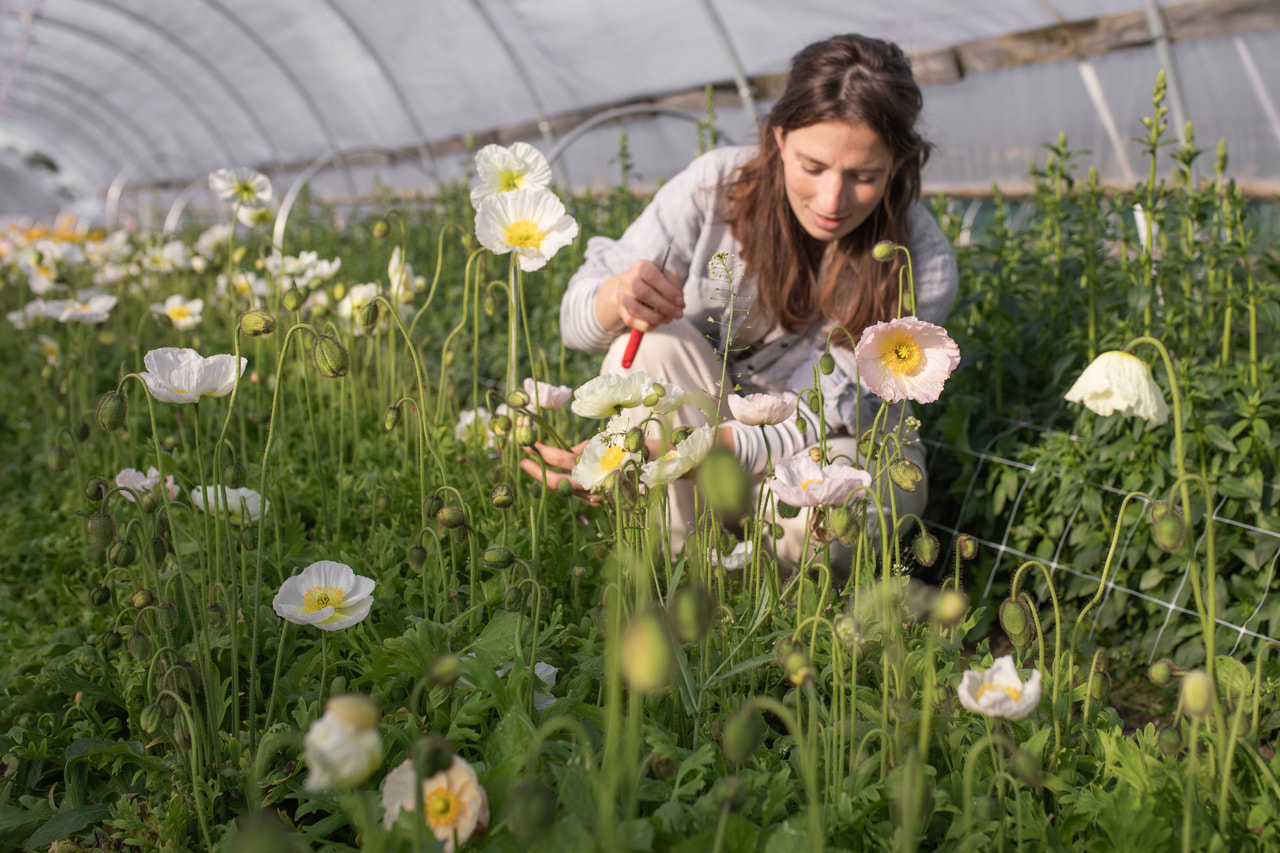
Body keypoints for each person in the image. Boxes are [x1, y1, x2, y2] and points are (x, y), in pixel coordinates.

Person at [522, 33, 958, 569]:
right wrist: (615, 299)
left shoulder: (920, 263)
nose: (831, 201)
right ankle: (681, 574)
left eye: (863, 176)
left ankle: (797, 619)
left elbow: (827, 415)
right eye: (813, 167)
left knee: (849, 506)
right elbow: (577, 324)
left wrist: (683, 453)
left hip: (828, 444)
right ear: (778, 137)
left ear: (897, 163)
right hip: (703, 438)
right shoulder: (713, 190)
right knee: (653, 342)